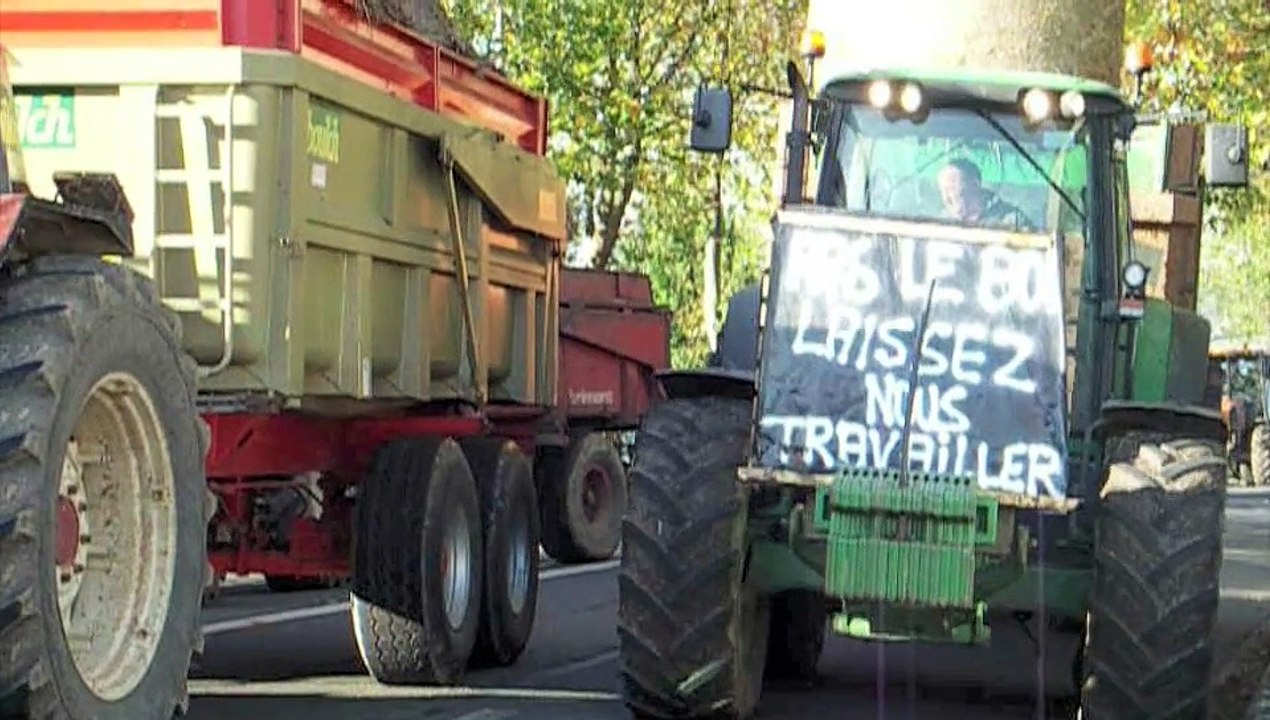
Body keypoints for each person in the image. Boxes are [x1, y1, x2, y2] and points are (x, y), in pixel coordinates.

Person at [936, 158, 1035, 231]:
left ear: (975, 185)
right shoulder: (940, 223)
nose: (946, 198)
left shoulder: (1011, 221)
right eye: (942, 191)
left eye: (951, 189)